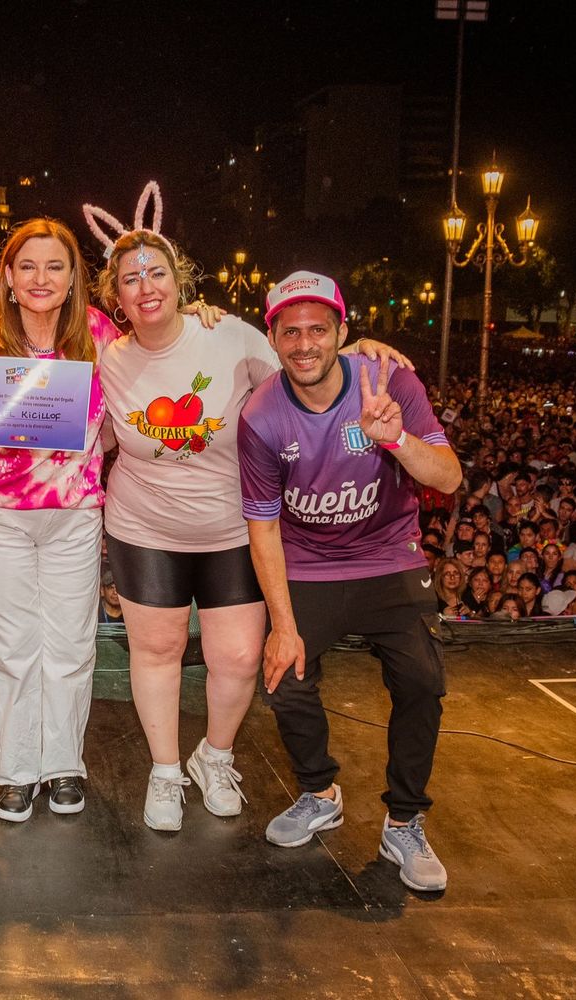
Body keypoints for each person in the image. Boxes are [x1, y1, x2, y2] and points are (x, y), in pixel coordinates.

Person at [93, 224, 411, 831]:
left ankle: (214, 756)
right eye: (130, 279)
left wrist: (360, 349)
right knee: (156, 650)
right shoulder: (109, 359)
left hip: (236, 527)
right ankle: (164, 772)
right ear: (118, 294)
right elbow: (97, 433)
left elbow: (307, 371)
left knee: (237, 658)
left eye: (156, 273)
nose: (145, 286)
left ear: (178, 280)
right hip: (144, 527)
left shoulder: (228, 335)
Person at [238, 271, 462, 892]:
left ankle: (405, 821)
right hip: (307, 561)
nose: (305, 343)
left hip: (390, 556)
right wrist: (283, 626)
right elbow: (261, 528)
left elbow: (447, 478)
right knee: (285, 680)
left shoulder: (390, 381)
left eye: (318, 329)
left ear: (343, 331)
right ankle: (319, 792)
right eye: (290, 332)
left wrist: (398, 441)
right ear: (273, 339)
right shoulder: (261, 416)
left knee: (421, 680)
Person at [0, 218, 117, 822]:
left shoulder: (102, 337)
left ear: (74, 278)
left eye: (54, 266)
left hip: (74, 517)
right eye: (28, 267)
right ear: (9, 280)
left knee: (71, 643)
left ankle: (63, 764)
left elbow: (156, 374)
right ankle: (16, 771)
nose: (41, 278)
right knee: (8, 647)